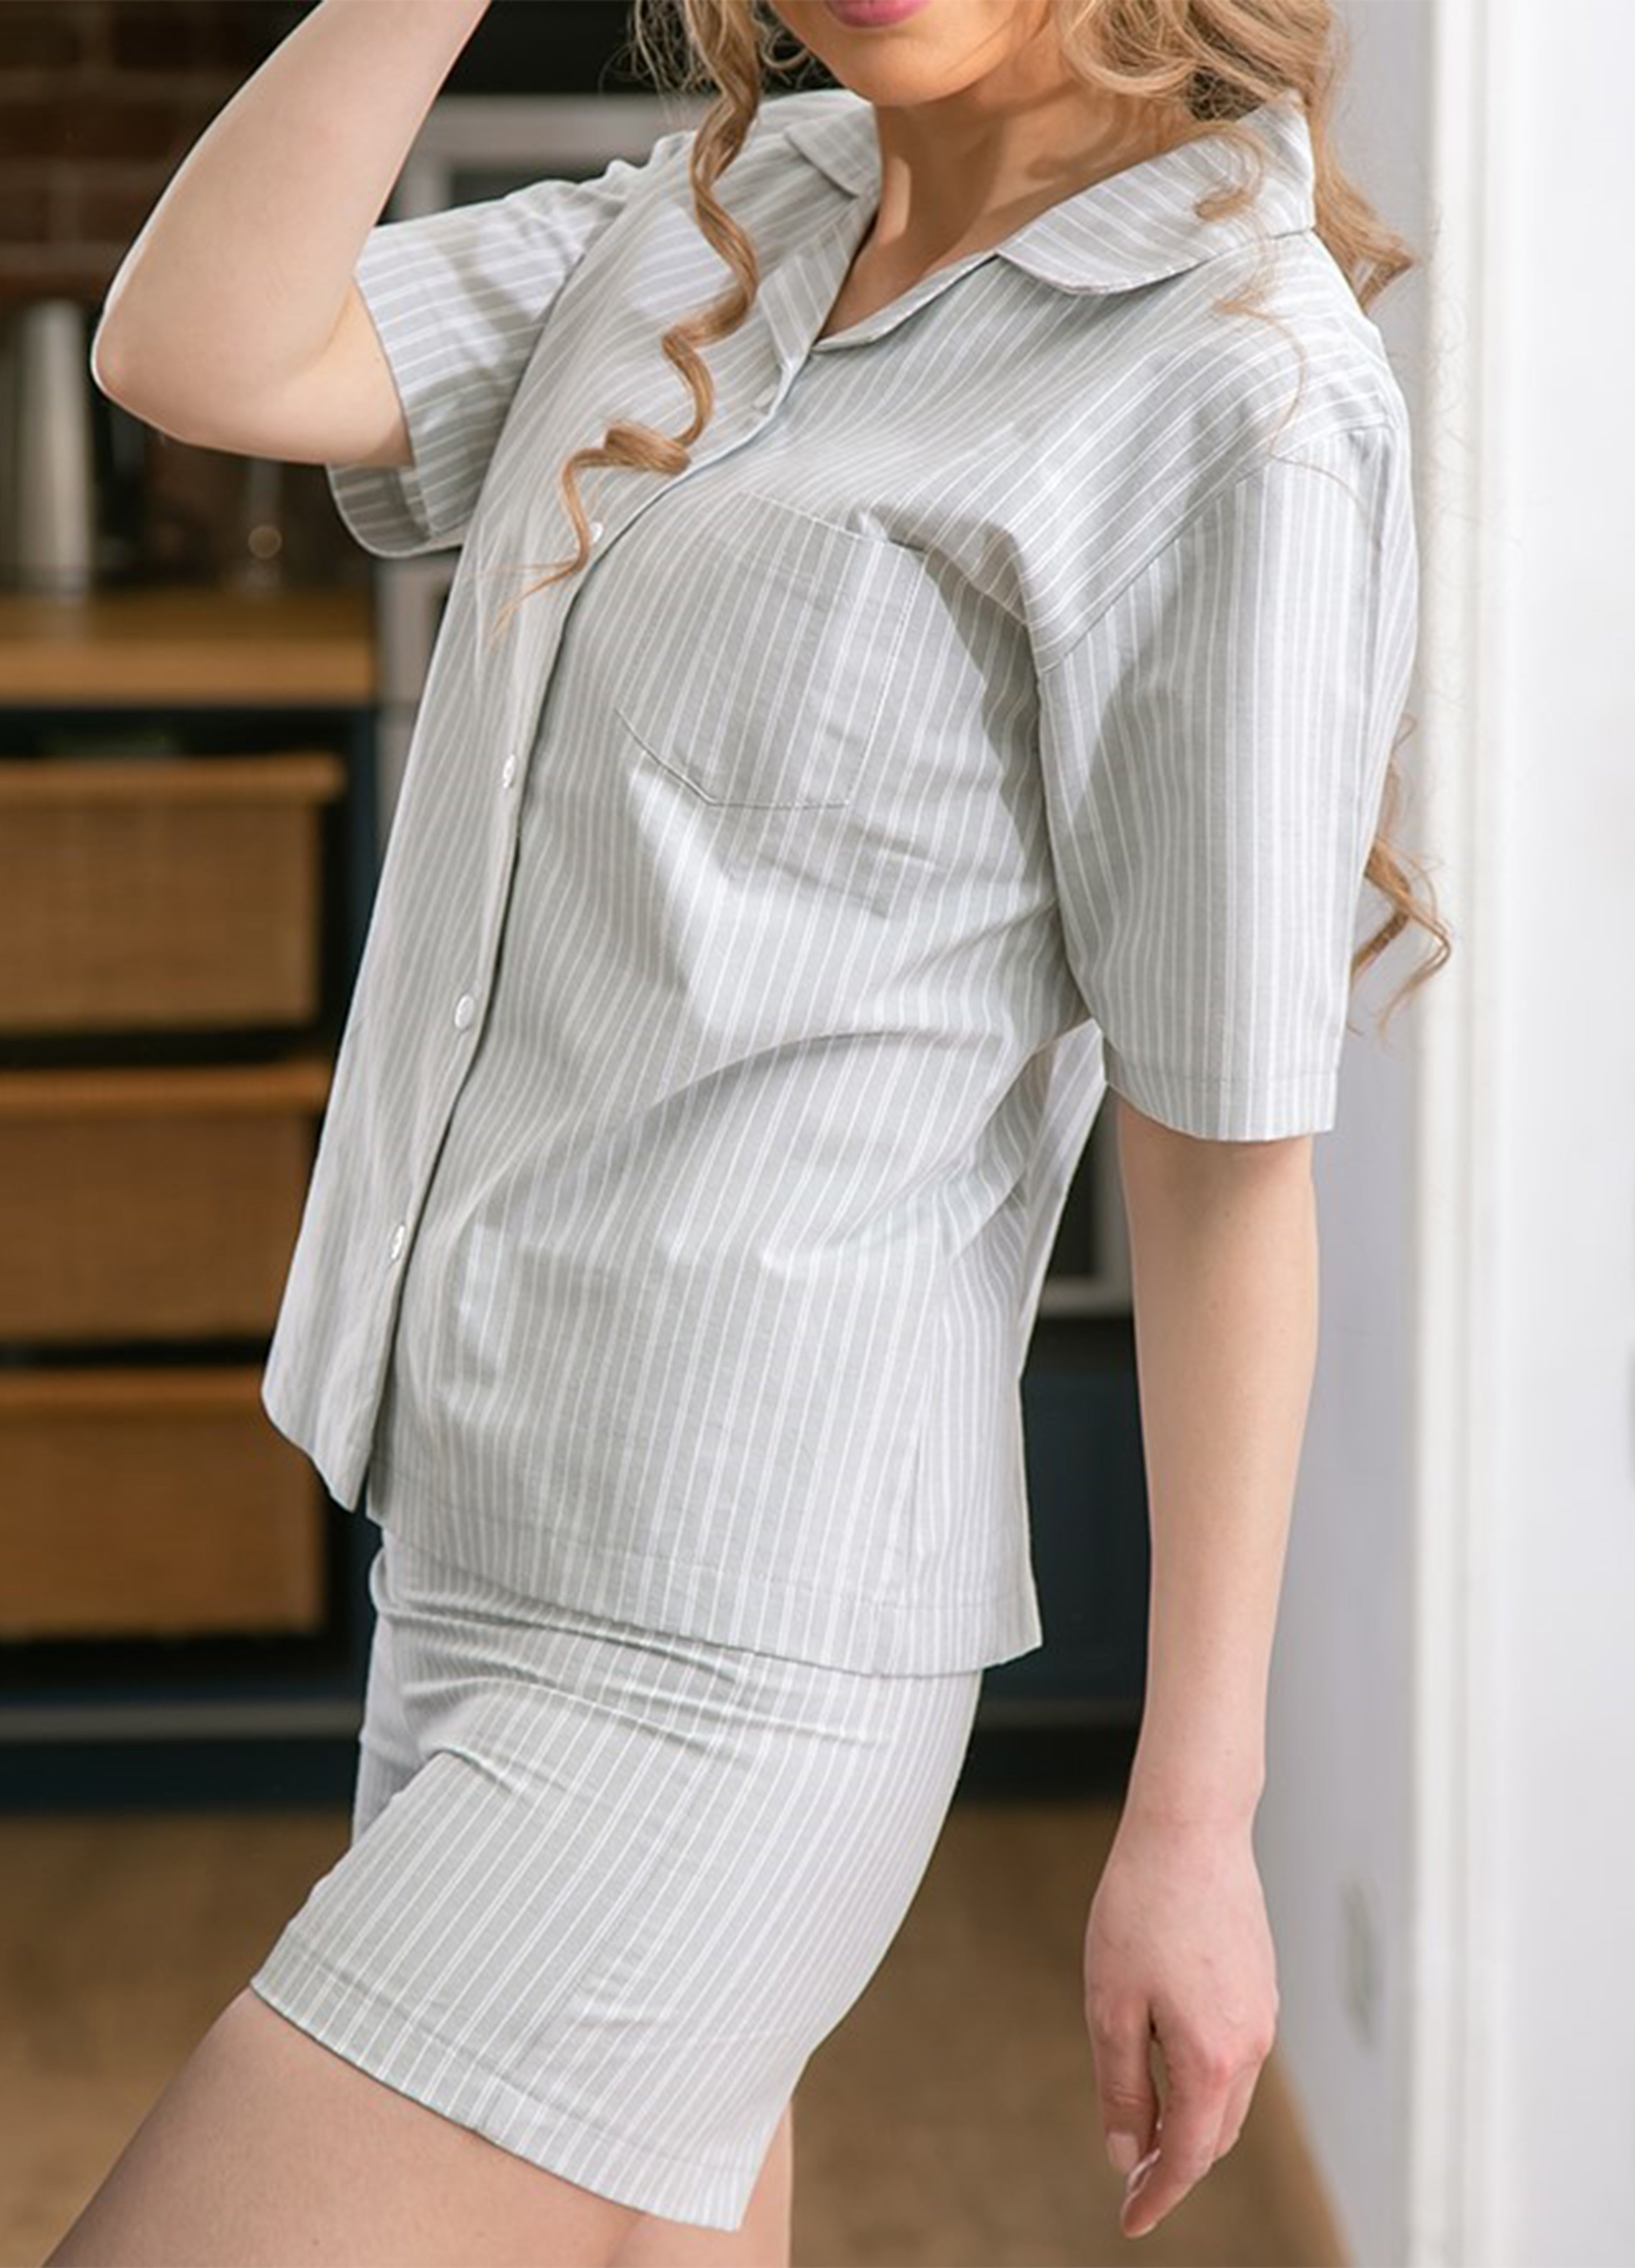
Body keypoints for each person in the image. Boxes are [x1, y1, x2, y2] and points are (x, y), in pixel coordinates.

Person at [58, 0, 1447, 2261]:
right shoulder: (730, 214)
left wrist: (1196, 1821)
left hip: (733, 1629)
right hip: (471, 1545)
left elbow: (1221, 1167)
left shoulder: (1236, 382)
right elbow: (198, 350)